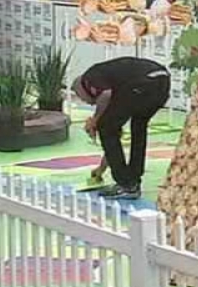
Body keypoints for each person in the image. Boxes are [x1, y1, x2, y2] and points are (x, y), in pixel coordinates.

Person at [72, 57, 171, 200]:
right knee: (138, 126)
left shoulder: (90, 76)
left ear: (84, 88)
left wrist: (96, 119)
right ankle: (132, 181)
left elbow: (105, 96)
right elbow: (114, 138)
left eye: (84, 99)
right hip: (162, 82)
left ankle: (126, 184)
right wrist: (101, 169)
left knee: (105, 127)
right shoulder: (115, 82)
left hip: (143, 83)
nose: (90, 103)